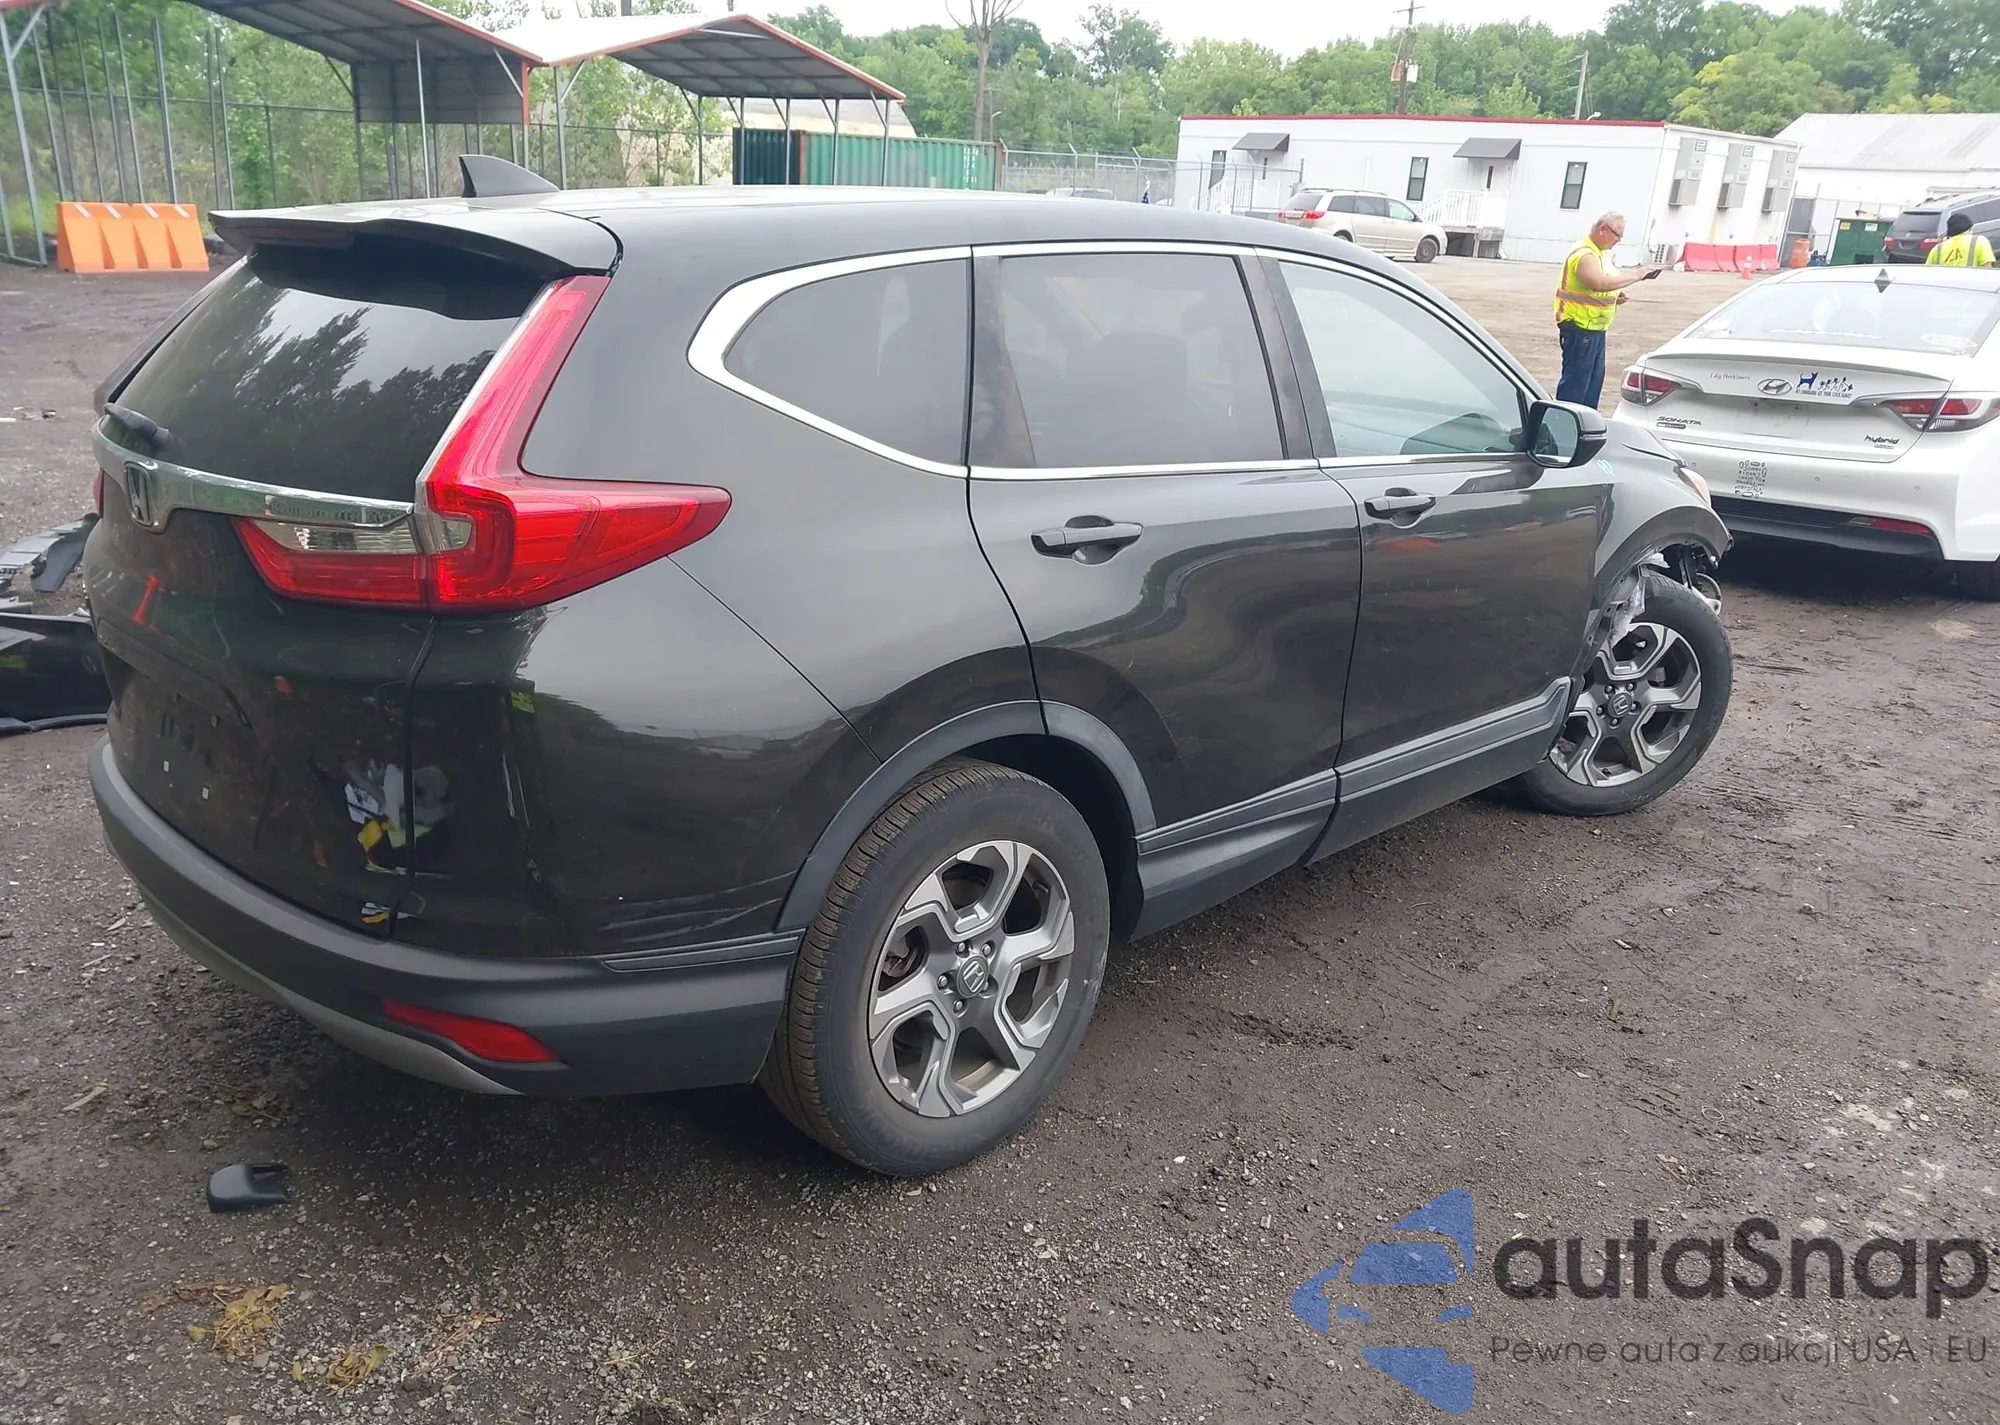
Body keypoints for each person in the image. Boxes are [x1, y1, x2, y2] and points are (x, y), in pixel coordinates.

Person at [1554, 212, 1660, 409]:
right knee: (1575, 392)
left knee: (1590, 389)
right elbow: (1599, 283)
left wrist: (1615, 296)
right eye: (1617, 235)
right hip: (1580, 329)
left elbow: (1602, 286)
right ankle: (1564, 424)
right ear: (1603, 229)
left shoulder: (1599, 254)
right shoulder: (1585, 254)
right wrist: (1636, 276)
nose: (1618, 240)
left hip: (1594, 329)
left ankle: (1583, 424)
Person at [1926, 211, 1996, 267]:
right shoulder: (1980, 241)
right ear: (1969, 229)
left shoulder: (1937, 249)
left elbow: (1928, 273)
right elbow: (1987, 268)